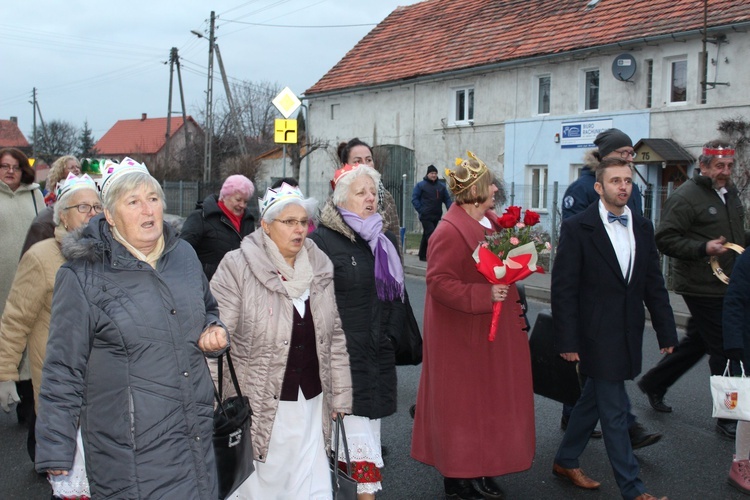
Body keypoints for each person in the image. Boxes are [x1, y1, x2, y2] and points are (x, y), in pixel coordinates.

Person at [34, 158, 228, 499]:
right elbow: (63, 368)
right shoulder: (82, 276)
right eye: (133, 202)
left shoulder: (183, 255)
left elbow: (207, 309)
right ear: (109, 215)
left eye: (153, 198)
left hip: (194, 436)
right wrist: (55, 444)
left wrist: (214, 330)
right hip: (130, 451)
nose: (147, 210)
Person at [210, 182, 352, 498]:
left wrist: (340, 396)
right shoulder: (237, 267)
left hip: (312, 405)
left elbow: (335, 337)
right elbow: (215, 338)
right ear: (265, 225)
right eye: (288, 222)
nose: (298, 229)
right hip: (260, 406)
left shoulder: (319, 268)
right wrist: (214, 403)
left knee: (311, 487)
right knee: (261, 487)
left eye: (303, 222)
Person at [552, 157, 677, 500]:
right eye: (615, 181)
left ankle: (565, 459)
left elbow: (653, 282)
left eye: (627, 181)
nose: (623, 186)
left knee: (592, 399)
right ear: (599, 187)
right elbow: (563, 289)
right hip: (594, 335)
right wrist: (567, 338)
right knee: (614, 412)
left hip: (627, 331)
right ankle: (633, 489)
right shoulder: (578, 228)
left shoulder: (642, 226)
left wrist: (666, 330)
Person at [411, 151, 534, 500]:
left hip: (489, 333)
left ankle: (481, 467)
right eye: (490, 184)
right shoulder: (449, 230)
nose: (496, 188)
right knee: (463, 409)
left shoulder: (491, 223)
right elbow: (438, 282)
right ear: (475, 190)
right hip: (461, 336)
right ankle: (459, 477)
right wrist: (484, 296)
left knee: (489, 406)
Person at [638, 140, 750, 439]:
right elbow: (665, 239)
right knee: (726, 347)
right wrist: (703, 247)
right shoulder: (686, 196)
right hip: (701, 285)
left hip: (730, 281)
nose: (725, 171)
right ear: (703, 166)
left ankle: (654, 382)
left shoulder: (731, 193)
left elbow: (737, 234)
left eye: (728, 166)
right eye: (719, 166)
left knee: (699, 341)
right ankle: (728, 416)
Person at [559, 128, 661, 449]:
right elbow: (575, 242)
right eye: (624, 153)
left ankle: (571, 434)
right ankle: (626, 438)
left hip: (623, 295)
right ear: (605, 156)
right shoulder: (583, 188)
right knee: (601, 369)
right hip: (595, 297)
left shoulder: (634, 189)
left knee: (602, 373)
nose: (630, 158)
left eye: (632, 154)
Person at [0, 173, 99, 495]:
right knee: (75, 482)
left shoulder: (114, 255)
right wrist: (5, 375)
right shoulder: (41, 257)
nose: (93, 213)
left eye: (98, 205)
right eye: (83, 207)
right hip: (62, 392)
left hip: (109, 392)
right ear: (62, 215)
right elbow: (15, 319)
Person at [310, 163, 405, 499]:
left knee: (361, 444)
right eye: (361, 192)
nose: (370, 198)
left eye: (374, 192)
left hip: (377, 358)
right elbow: (315, 307)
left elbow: (397, 298)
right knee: (355, 448)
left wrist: (390, 338)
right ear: (340, 199)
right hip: (342, 364)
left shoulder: (384, 240)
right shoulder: (321, 240)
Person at [0, 147, 44, 429]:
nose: (10, 171)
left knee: (28, 339)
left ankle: (28, 409)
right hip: (0, 282)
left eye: (15, 166)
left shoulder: (35, 194)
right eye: (4, 166)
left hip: (28, 277)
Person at [180, 174, 255, 280]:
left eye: (246, 201)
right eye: (238, 200)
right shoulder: (201, 217)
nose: (242, 205)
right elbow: (182, 252)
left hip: (237, 287)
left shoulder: (248, 221)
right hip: (206, 286)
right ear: (225, 196)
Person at [337, 138, 401, 235]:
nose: (365, 165)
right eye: (357, 161)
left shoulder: (387, 198)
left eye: (369, 160)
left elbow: (396, 237)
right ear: (344, 166)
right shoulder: (338, 199)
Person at [411, 164, 452, 261]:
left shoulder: (441, 187)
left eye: (435, 173)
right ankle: (434, 256)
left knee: (426, 234)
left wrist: (451, 209)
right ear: (428, 174)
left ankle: (422, 255)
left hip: (436, 215)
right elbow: (414, 199)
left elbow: (447, 199)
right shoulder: (421, 185)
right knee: (432, 235)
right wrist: (421, 210)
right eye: (432, 173)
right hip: (425, 215)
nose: (433, 175)